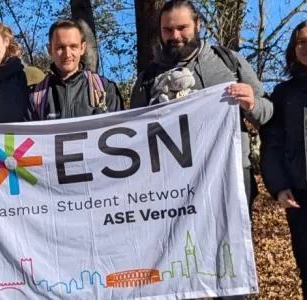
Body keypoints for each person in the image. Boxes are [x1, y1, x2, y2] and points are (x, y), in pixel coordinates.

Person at [129, 0, 272, 222]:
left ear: (198, 25)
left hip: (229, 174)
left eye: (182, 27)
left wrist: (252, 103)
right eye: (167, 30)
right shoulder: (146, 79)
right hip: (171, 185)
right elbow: (134, 135)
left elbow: (267, 113)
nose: (175, 35)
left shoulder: (229, 62)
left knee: (232, 250)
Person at [260, 21, 307, 299]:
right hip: (300, 197)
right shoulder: (283, 94)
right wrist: (278, 186)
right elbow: (272, 144)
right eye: (300, 42)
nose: (305, 47)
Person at [26, 19, 123, 121]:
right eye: (60, 47)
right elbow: (26, 135)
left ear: (82, 48)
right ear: (50, 50)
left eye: (73, 47)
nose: (67, 54)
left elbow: (119, 133)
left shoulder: (105, 89)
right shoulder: (35, 96)